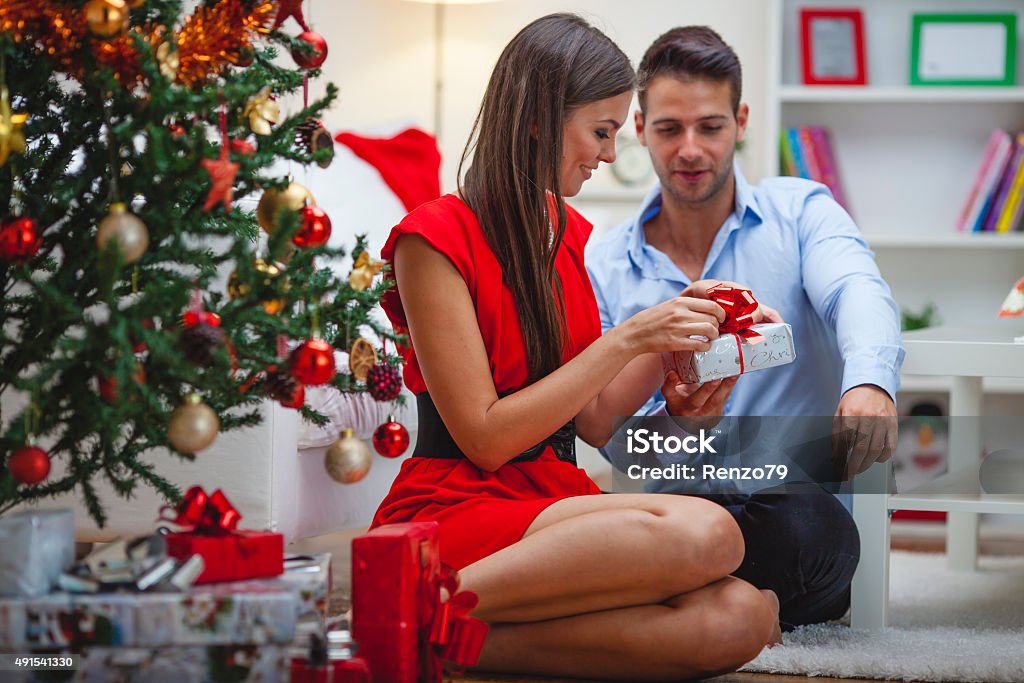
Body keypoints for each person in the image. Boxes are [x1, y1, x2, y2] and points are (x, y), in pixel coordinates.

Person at [370, 13, 780, 680]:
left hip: (547, 497)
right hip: (458, 503)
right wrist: (628, 336)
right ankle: (413, 594)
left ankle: (434, 630)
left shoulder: (568, 233)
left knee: (741, 616)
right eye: (601, 131)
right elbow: (484, 437)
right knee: (711, 533)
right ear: (539, 116)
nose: (610, 154)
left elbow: (594, 419)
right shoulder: (433, 237)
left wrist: (674, 335)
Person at [586, 26, 905, 629]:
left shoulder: (802, 210)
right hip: (678, 510)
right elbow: (614, 439)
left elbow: (856, 290)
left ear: (741, 120)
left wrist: (868, 383)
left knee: (817, 536)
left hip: (790, 504)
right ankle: (726, 608)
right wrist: (681, 421)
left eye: (710, 126)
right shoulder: (605, 263)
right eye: (668, 128)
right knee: (603, 526)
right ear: (638, 128)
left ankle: (664, 598)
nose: (690, 150)